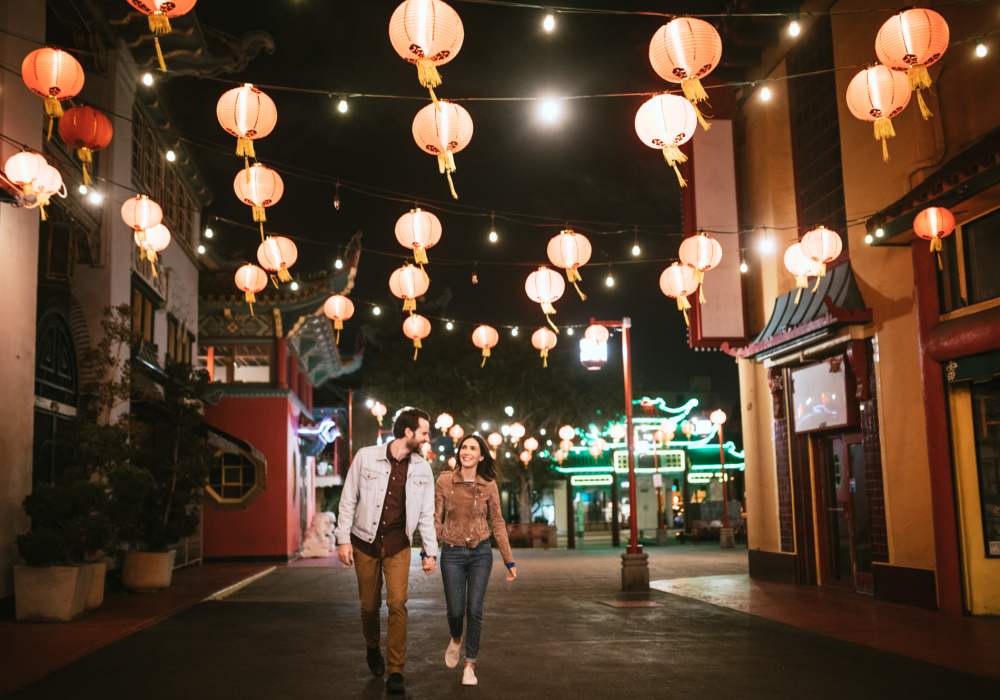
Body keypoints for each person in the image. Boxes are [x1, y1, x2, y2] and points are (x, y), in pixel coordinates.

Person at [334, 407, 438, 696]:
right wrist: (343, 539)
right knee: (369, 606)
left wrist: (430, 551)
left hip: (398, 544)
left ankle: (395, 670)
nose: (428, 437)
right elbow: (348, 499)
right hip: (364, 541)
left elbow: (427, 514)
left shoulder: (422, 468)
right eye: (425, 432)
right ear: (408, 432)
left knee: (397, 603)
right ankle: (372, 647)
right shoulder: (367, 456)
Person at [435, 433, 517, 687]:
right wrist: (432, 546)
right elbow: (435, 517)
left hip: (481, 553)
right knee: (456, 610)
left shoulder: (489, 485)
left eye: (473, 448)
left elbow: (498, 523)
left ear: (481, 456)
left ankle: (470, 664)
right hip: (452, 553)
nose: (466, 451)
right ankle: (456, 638)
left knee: (476, 609)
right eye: (463, 447)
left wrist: (509, 560)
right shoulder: (445, 481)